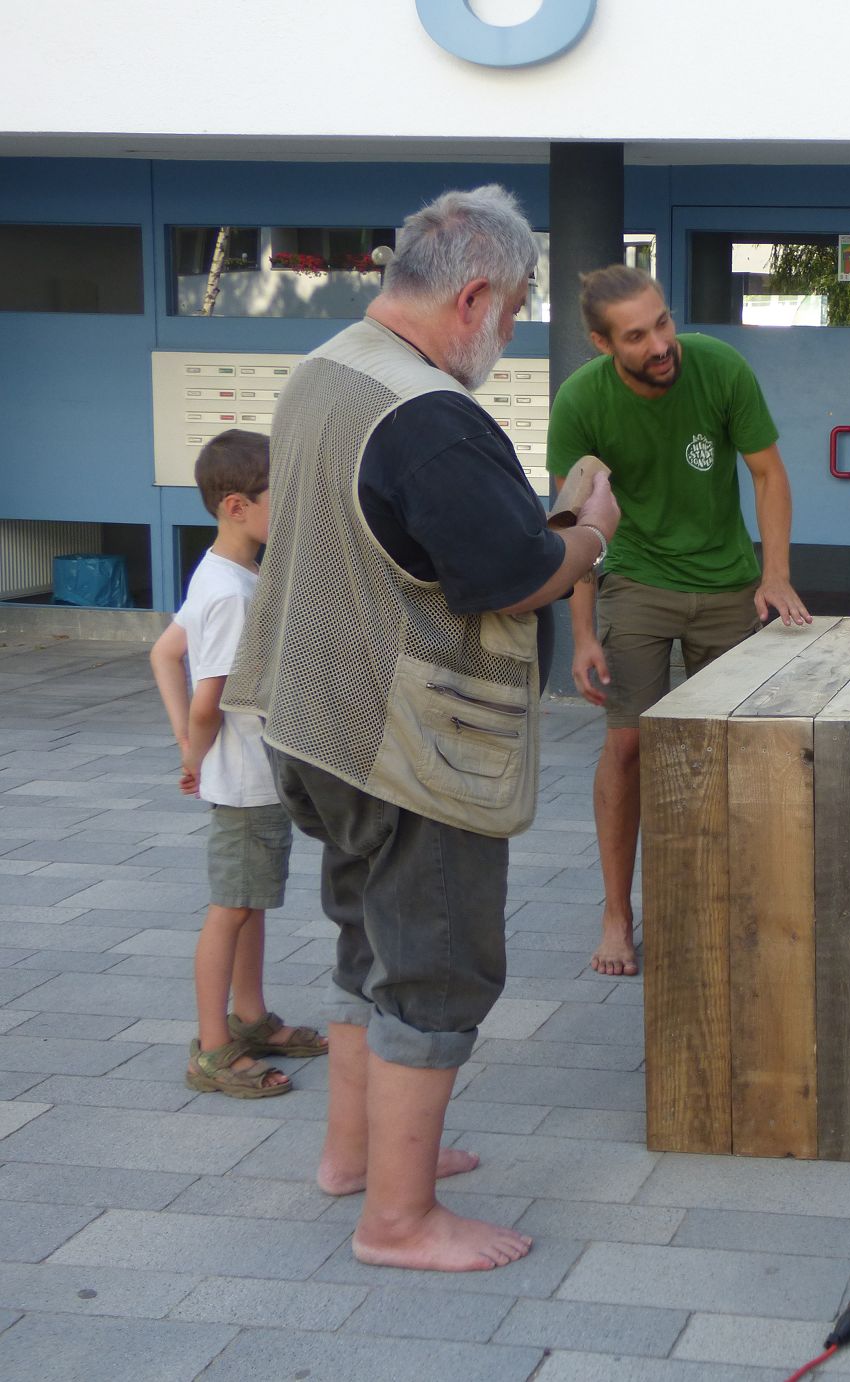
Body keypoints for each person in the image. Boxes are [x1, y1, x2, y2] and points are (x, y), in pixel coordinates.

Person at [224, 185, 619, 1271]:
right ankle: (397, 1218)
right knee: (435, 966)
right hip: (408, 745)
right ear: (474, 295)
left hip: (314, 720)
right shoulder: (430, 415)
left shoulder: (327, 366)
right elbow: (513, 574)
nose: (512, 331)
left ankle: (356, 1155)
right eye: (518, 307)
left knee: (371, 943)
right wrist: (590, 529)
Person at [548, 265, 810, 978]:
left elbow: (768, 473)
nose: (661, 344)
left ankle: (730, 906)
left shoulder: (719, 369)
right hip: (636, 579)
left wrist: (775, 573)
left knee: (729, 749)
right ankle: (616, 913)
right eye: (637, 336)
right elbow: (573, 521)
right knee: (628, 744)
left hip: (727, 584)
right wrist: (581, 635)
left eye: (662, 322)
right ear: (604, 344)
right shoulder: (581, 402)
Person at [149, 429, 326, 1100]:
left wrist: (187, 745)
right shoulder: (231, 594)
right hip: (247, 780)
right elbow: (208, 699)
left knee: (250, 903)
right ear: (236, 506)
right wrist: (192, 752)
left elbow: (164, 652)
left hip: (255, 775)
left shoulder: (226, 574)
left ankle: (250, 1018)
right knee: (231, 909)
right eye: (285, 496)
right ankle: (212, 1049)